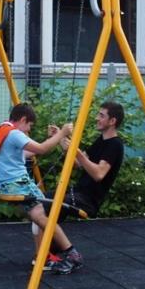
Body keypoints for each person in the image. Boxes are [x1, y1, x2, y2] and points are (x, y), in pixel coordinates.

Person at [0, 103, 80, 274]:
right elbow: (42, 150)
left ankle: (42, 257)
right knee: (44, 215)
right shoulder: (14, 133)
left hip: (7, 186)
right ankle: (71, 252)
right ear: (23, 120)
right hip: (18, 184)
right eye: (29, 125)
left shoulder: (3, 131)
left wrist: (53, 138)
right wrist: (62, 133)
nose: (29, 130)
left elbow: (30, 152)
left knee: (38, 216)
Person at [45, 99, 125, 243]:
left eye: (101, 115)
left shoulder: (115, 145)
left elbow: (98, 174)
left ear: (112, 121)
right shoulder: (100, 140)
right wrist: (60, 136)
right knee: (41, 200)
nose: (97, 118)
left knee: (49, 206)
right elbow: (77, 164)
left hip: (88, 200)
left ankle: (66, 249)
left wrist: (77, 152)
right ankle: (51, 249)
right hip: (77, 192)